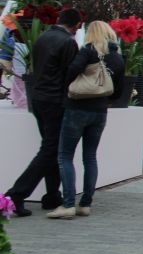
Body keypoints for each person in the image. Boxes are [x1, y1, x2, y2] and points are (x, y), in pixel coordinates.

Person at [4, 8, 82, 217]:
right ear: (75, 25)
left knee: (51, 147)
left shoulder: (42, 37)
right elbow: (70, 74)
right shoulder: (68, 43)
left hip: (38, 98)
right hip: (55, 100)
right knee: (51, 149)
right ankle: (16, 195)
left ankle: (52, 196)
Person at [48, 21, 125, 219]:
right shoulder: (116, 57)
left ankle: (67, 205)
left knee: (65, 155)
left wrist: (67, 90)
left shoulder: (88, 51)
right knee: (90, 157)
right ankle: (86, 204)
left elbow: (70, 72)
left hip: (77, 109)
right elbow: (119, 90)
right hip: (100, 111)